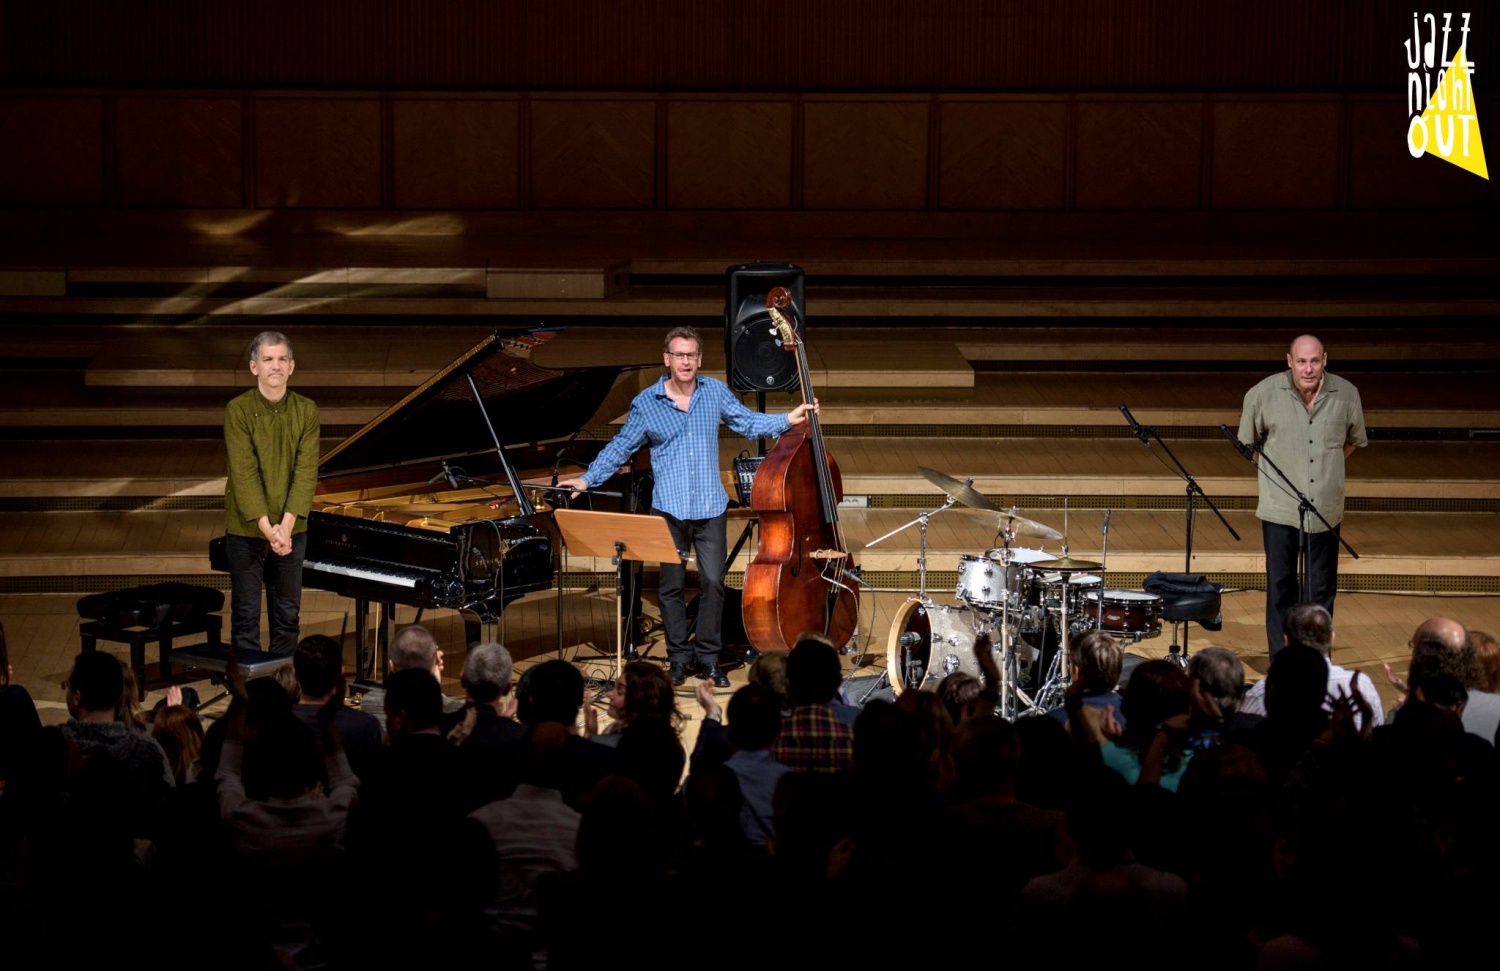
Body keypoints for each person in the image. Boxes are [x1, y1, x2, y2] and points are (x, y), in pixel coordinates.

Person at [558, 325, 818, 687]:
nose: (686, 361)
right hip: (669, 510)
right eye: (679, 355)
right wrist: (587, 479)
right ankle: (678, 657)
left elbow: (748, 422)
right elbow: (620, 447)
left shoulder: (714, 392)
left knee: (713, 582)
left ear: (699, 359)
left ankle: (708, 659)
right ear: (667, 359)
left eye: (691, 355)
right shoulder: (648, 403)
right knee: (671, 587)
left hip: (710, 508)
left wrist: (787, 419)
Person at [1236, 334, 1366, 657]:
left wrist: (1326, 470)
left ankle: (1315, 657)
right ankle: (1282, 660)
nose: (1308, 369)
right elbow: (1246, 442)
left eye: (1315, 361)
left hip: (1324, 508)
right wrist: (1276, 474)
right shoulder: (1263, 394)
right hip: (1279, 509)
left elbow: (1352, 442)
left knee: (1320, 590)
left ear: (1325, 360)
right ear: (1289, 361)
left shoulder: (1347, 394)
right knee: (1281, 587)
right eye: (1302, 361)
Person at [223, 330, 320, 655]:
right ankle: (249, 700)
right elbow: (244, 474)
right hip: (247, 530)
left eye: (281, 359)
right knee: (246, 617)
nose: (275, 366)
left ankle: (284, 695)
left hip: (292, 531)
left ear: (291, 366)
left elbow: (306, 473)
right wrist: (269, 530)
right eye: (267, 359)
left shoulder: (306, 410)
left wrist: (287, 528)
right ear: (254, 367)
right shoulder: (237, 410)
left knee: (287, 617)